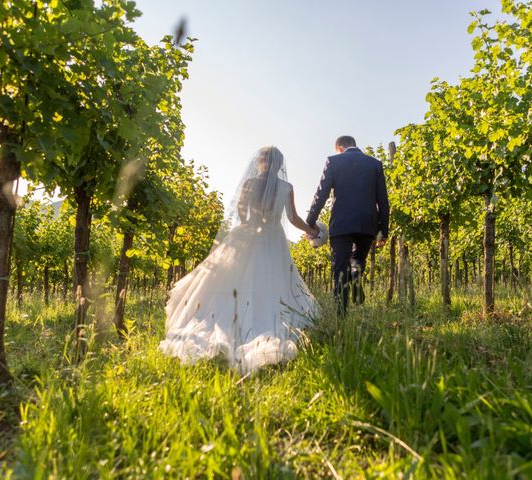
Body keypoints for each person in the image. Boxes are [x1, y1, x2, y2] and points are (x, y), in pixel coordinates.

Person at [160, 146, 318, 374]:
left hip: (249, 233)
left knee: (237, 279)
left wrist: (250, 224)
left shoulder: (249, 184)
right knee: (272, 281)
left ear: (261, 162)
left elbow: (241, 211)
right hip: (274, 238)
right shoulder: (287, 187)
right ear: (279, 164)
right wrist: (311, 229)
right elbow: (293, 218)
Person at [306, 135, 390, 315]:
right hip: (368, 224)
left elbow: (321, 194)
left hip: (341, 223)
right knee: (358, 260)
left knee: (339, 269)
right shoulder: (375, 164)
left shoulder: (333, 162)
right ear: (354, 145)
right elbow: (383, 200)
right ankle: (355, 277)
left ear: (339, 148)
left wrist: (310, 223)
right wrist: (383, 231)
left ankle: (341, 317)